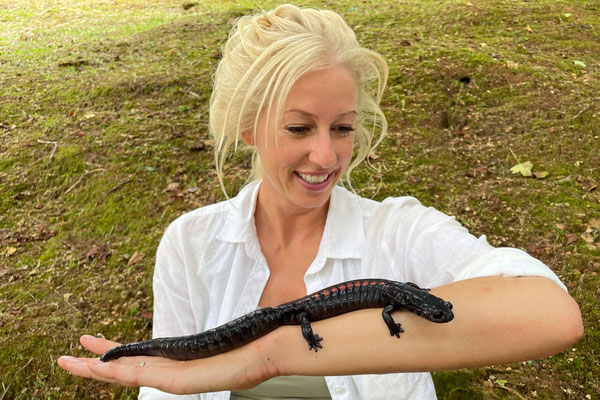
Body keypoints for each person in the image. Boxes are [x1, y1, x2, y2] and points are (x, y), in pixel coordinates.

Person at [57, 4, 583, 399]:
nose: (327, 155)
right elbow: (167, 373)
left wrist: (272, 353)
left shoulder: (397, 234)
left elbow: (552, 316)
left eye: (344, 127)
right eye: (298, 127)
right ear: (247, 129)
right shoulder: (190, 243)